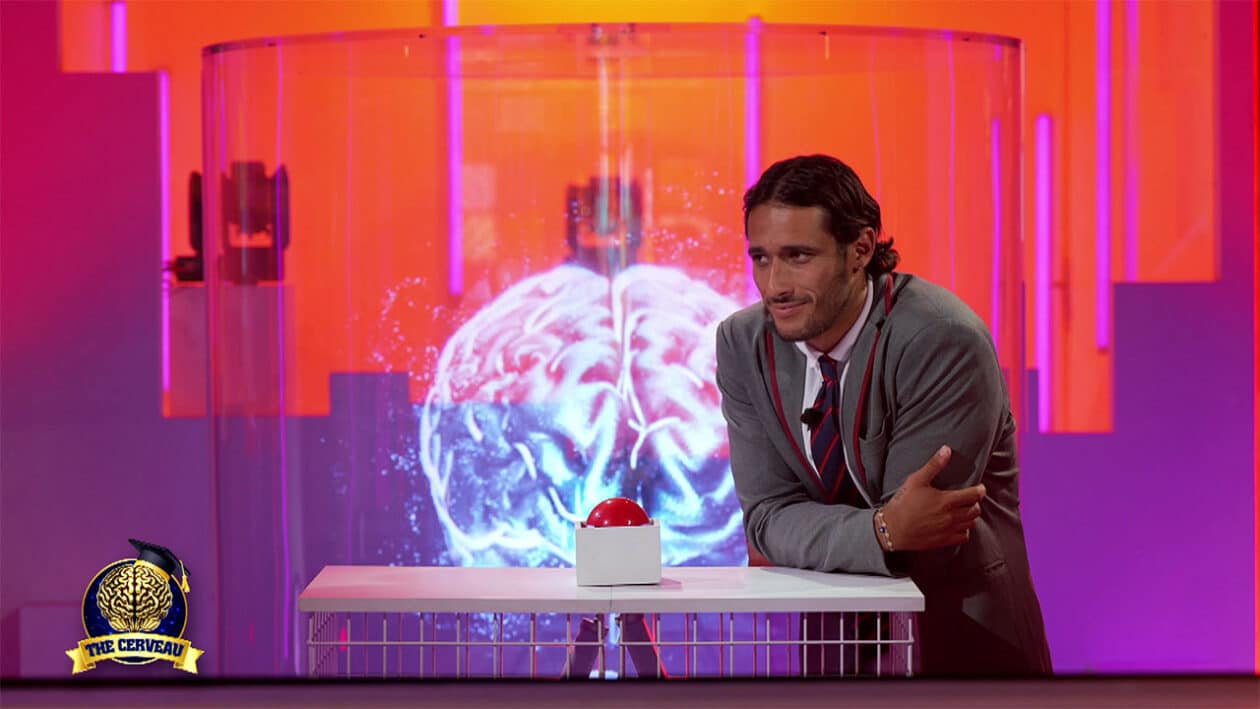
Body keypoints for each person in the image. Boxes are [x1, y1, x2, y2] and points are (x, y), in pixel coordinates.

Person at [716, 154, 1052, 676]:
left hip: (961, 652)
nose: (774, 284)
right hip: (831, 654)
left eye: (798, 257)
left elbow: (926, 540)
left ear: (861, 249)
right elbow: (764, 520)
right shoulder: (744, 344)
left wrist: (868, 531)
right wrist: (883, 530)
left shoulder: (941, 338)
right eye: (761, 258)